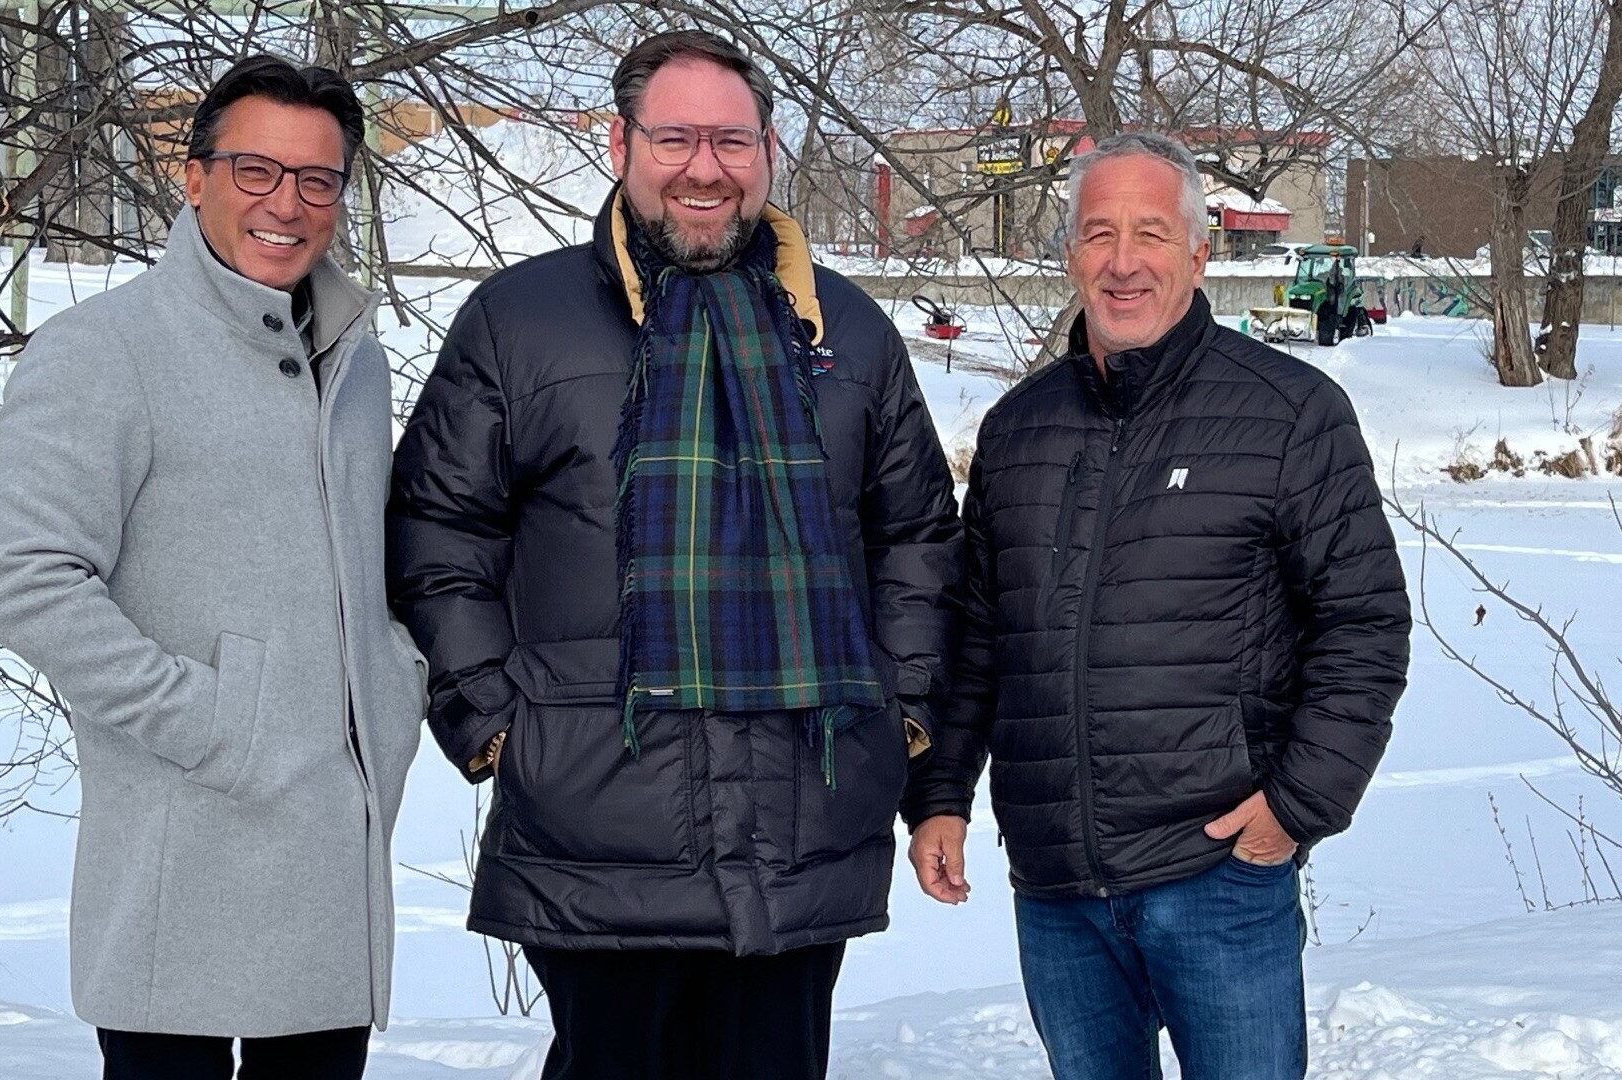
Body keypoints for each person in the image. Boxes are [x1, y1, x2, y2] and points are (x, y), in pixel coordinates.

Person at [386, 29, 959, 1080]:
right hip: (597, 814)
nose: (706, 167)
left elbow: (915, 535)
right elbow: (437, 528)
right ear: (621, 143)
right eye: (677, 137)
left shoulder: (851, 334)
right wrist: (500, 725)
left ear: (768, 151)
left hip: (802, 816)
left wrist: (901, 707)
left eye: (732, 141)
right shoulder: (521, 321)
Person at [904, 131, 1411, 1080]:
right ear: (1070, 255)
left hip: (1217, 870)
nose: (1123, 261)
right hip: (1055, 884)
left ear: (1198, 251)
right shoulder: (1018, 428)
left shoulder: (1288, 411)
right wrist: (938, 795)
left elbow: (1364, 626)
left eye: (1150, 232)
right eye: (1099, 234)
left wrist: (1298, 804)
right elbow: (976, 637)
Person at [0, 55, 427, 1080]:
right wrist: (221, 723)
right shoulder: (103, 350)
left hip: (326, 855)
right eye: (256, 170)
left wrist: (394, 685)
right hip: (182, 853)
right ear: (195, 176)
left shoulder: (355, 358)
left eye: (317, 179)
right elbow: (28, 580)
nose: (288, 203)